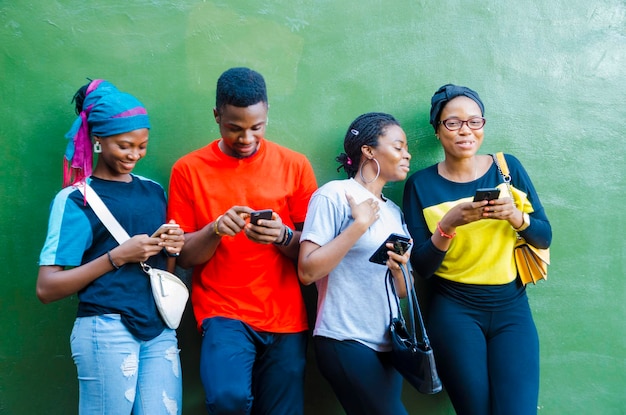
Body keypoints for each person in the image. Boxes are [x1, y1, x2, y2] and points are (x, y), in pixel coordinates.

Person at [167, 67, 317, 415]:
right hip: (223, 311)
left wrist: (282, 235)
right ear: (217, 116)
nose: (246, 137)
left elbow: (313, 252)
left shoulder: (294, 165)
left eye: (256, 127)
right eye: (234, 128)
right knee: (226, 399)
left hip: (286, 315)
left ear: (266, 115)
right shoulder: (188, 170)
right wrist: (215, 229)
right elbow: (184, 257)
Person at [37, 79, 185, 415]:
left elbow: (162, 272)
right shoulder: (76, 199)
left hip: (159, 328)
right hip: (105, 329)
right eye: (125, 145)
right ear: (98, 139)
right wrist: (116, 257)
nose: (135, 154)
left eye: (142, 145)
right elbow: (46, 288)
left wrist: (172, 249)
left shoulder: (153, 191)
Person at [402, 84, 552, 415]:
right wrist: (449, 224)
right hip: (455, 313)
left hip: (512, 310)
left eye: (474, 121)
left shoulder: (506, 168)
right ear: (438, 131)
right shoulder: (421, 185)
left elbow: (544, 236)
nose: (465, 131)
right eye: (453, 123)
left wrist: (516, 217)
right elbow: (422, 267)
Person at [298, 112, 413, 415]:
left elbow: (402, 291)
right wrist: (358, 226)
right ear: (368, 151)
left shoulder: (395, 213)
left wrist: (400, 269)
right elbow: (307, 270)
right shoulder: (333, 195)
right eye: (398, 146)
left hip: (389, 344)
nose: (407, 154)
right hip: (344, 338)